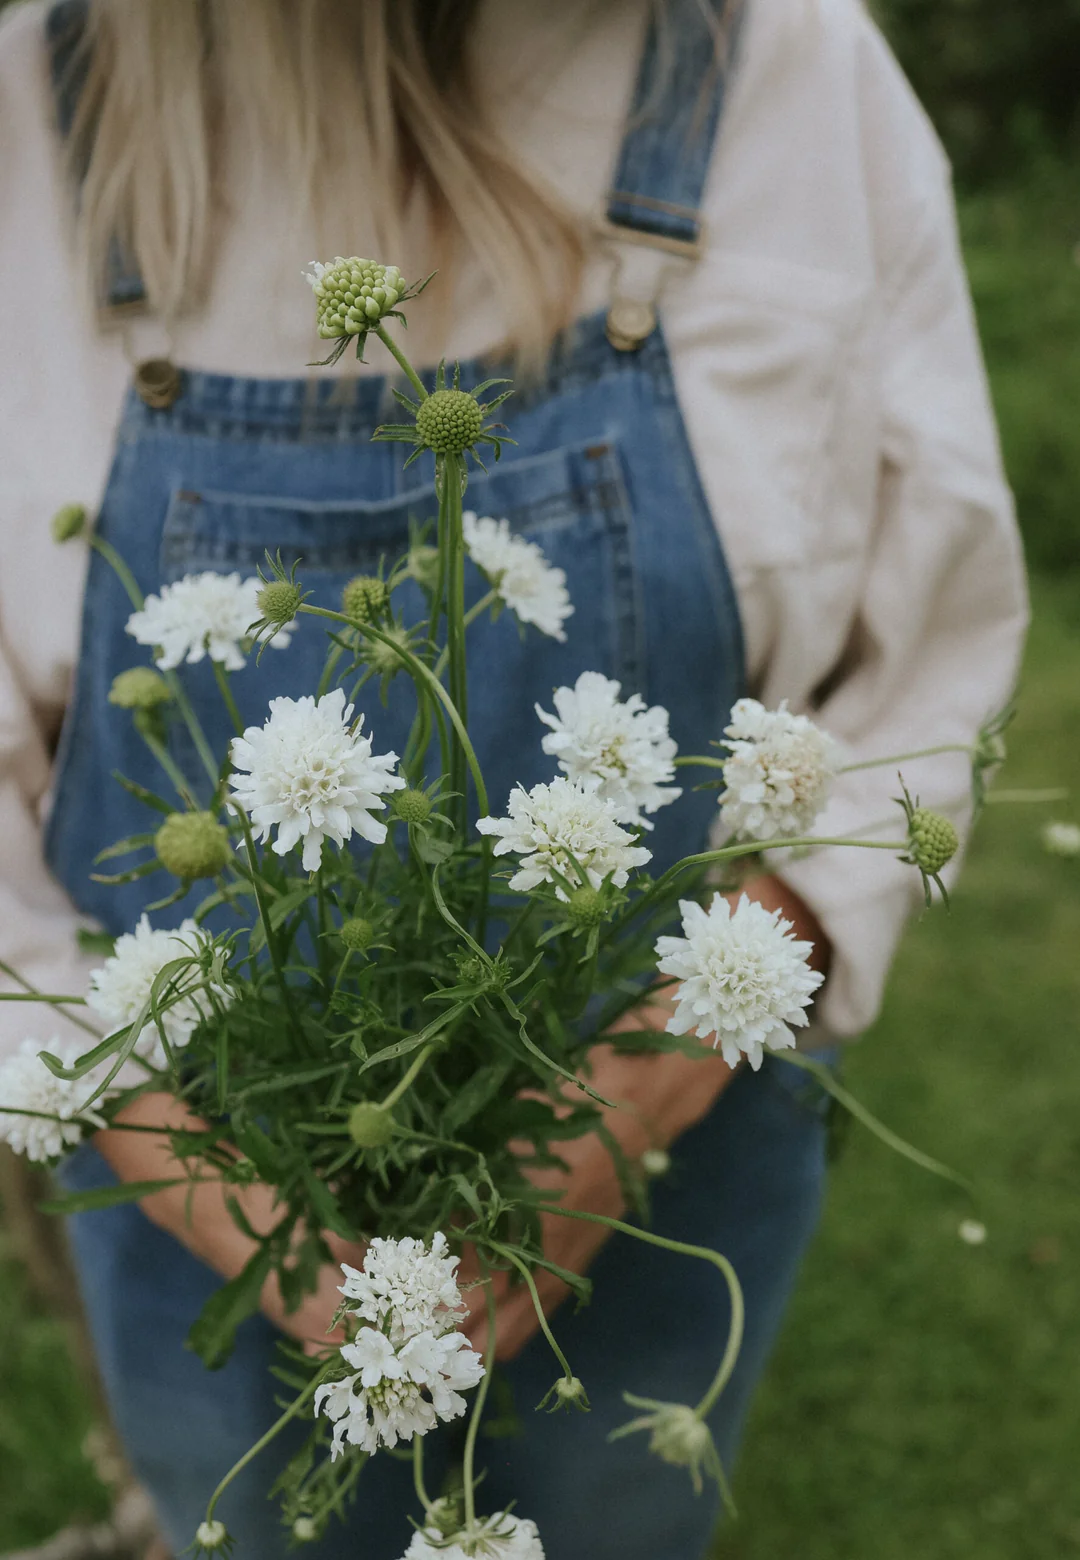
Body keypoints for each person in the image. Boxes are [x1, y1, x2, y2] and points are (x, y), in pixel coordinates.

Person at [0, 0, 1026, 1557]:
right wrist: (211, 1191)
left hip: (675, 1140)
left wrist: (634, 1093)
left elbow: (917, 691)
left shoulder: (788, 69)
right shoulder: (28, 104)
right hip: (195, 1165)